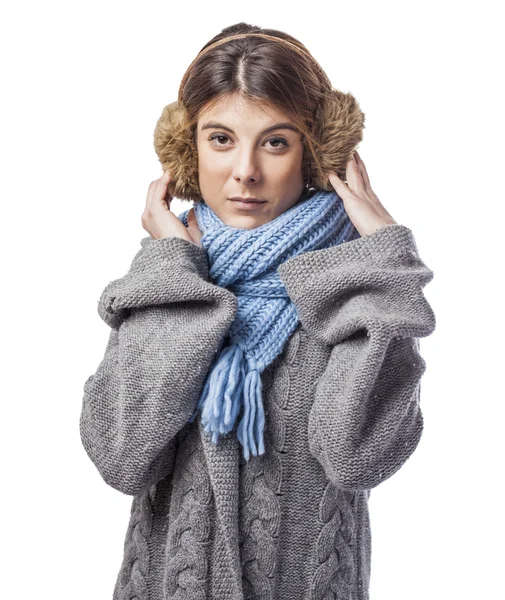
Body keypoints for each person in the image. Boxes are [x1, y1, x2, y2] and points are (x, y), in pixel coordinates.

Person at [79, 22, 436, 600]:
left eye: (275, 142)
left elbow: (356, 458)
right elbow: (122, 457)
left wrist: (381, 265)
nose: (245, 171)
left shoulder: (356, 289)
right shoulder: (166, 281)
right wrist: (174, 271)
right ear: (186, 151)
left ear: (317, 153)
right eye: (220, 139)